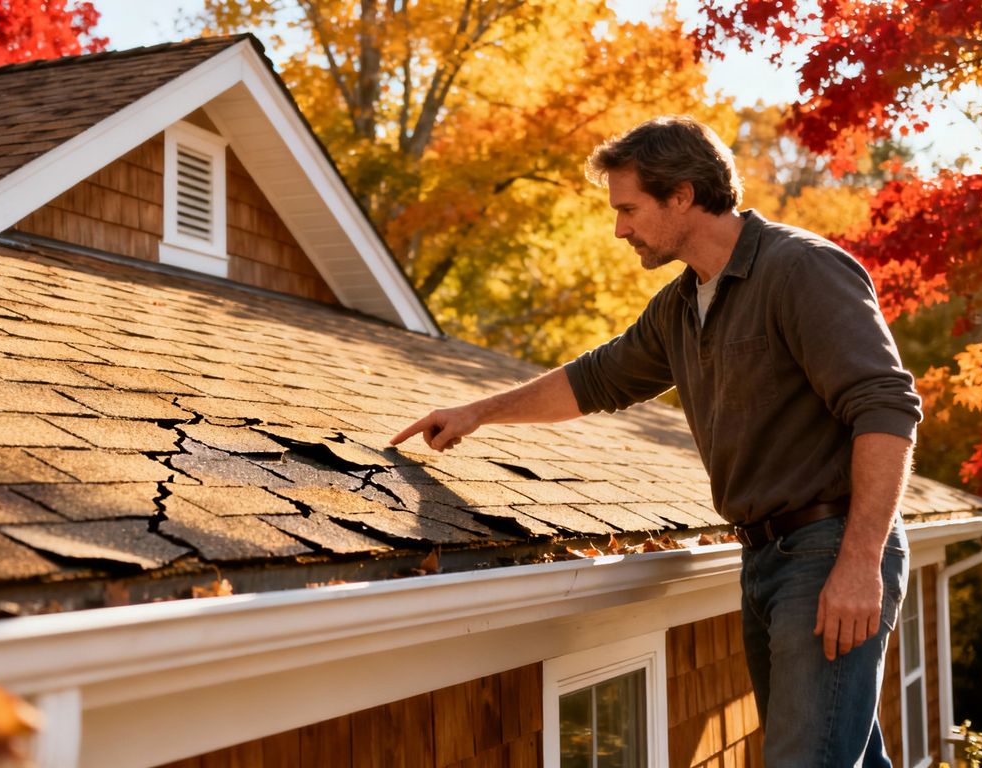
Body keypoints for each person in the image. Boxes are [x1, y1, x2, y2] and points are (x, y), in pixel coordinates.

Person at [391, 115, 922, 766]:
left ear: (683, 195)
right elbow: (595, 380)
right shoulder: (679, 308)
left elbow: (886, 407)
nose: (620, 229)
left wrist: (859, 562)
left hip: (830, 551)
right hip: (762, 560)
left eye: (629, 209)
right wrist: (477, 412)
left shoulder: (800, 269)